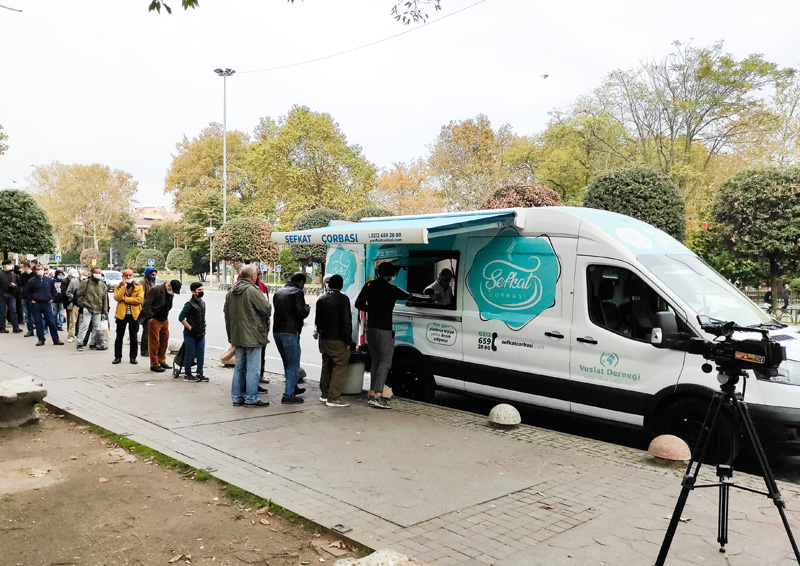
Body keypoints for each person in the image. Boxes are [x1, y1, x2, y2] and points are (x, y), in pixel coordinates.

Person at [355, 262, 416, 409]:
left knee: (376, 360)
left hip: (371, 328)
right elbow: (410, 297)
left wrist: (372, 309)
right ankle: (377, 394)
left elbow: (358, 303)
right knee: (385, 362)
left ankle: (371, 391)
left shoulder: (369, 286)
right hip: (384, 329)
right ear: (390, 275)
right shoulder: (391, 289)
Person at [224, 264, 272, 407]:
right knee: (253, 368)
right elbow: (266, 308)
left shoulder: (231, 291)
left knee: (239, 367)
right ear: (253, 276)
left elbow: (226, 315)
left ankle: (237, 397)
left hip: (237, 334)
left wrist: (230, 335)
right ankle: (251, 397)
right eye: (256, 274)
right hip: (253, 335)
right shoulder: (252, 290)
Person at [314, 274, 352, 408]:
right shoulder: (343, 299)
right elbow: (346, 322)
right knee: (339, 367)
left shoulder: (321, 299)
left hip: (324, 338)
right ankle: (334, 397)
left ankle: (324, 394)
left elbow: (317, 321)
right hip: (338, 338)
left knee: (326, 365)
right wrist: (348, 340)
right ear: (341, 285)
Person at [272, 272, 310, 404]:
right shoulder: (297, 292)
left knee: (286, 362)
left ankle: (292, 387)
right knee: (293, 363)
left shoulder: (279, 291)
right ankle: (288, 394)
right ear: (301, 282)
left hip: (277, 330)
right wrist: (307, 309)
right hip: (290, 331)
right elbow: (300, 313)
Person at [138, 278, 181, 372]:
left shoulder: (170, 293)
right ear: (169, 285)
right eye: (173, 290)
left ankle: (161, 360)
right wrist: (151, 318)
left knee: (164, 341)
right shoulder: (156, 290)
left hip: (164, 319)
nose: (173, 292)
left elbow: (168, 306)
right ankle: (154, 363)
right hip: (155, 319)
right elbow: (147, 305)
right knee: (154, 343)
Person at [24, 264, 64, 346]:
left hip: (47, 304)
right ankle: (41, 339)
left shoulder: (49, 280)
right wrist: (32, 300)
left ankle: (55, 338)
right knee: (39, 322)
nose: (40, 270)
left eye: (41, 269)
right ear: (34, 270)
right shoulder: (32, 281)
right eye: (38, 269)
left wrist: (52, 299)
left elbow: (54, 291)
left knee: (51, 321)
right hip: (36, 304)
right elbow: (26, 293)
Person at [112, 269, 144, 365]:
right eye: (126, 275)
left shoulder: (138, 287)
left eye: (130, 275)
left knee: (133, 337)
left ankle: (133, 357)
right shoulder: (118, 286)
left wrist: (125, 299)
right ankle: (117, 357)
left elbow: (139, 300)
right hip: (122, 315)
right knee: (119, 337)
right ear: (123, 277)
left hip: (134, 315)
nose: (129, 277)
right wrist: (123, 287)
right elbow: (117, 298)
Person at [178, 282, 208, 382]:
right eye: (199, 290)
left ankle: (200, 373)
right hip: (190, 334)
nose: (201, 292)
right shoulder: (189, 304)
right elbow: (181, 318)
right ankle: (188, 374)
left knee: (200, 353)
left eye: (202, 289)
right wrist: (190, 328)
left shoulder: (202, 303)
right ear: (193, 292)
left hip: (201, 333)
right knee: (189, 353)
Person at [75, 267, 110, 351]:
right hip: (88, 308)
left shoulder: (102, 284)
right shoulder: (85, 283)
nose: (98, 274)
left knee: (96, 327)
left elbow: (105, 298)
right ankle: (80, 343)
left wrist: (104, 311)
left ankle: (92, 343)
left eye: (99, 272)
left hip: (98, 309)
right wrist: (82, 305)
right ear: (92, 273)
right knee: (85, 326)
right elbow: (79, 295)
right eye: (96, 272)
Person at [139, 267, 159, 357]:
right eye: (152, 274)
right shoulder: (142, 283)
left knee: (151, 331)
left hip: (152, 310)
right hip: (146, 310)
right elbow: (141, 297)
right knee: (146, 331)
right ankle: (144, 350)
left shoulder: (152, 282)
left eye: (155, 275)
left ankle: (148, 349)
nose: (154, 276)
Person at [0, 260, 22, 333]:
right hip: (2, 295)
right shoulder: (0, 274)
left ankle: (15, 327)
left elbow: (18, 285)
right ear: (4, 265)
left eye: (10, 264)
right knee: (2, 311)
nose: (10, 265)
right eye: (8, 264)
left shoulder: (14, 275)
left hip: (11, 294)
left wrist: (14, 286)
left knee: (13, 310)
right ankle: (2, 327)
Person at [19, 261, 35, 337]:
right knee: (27, 314)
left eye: (22, 267)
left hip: (32, 297)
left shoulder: (34, 275)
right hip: (24, 297)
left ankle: (38, 328)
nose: (21, 269)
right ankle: (30, 330)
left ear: (26, 267)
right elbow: (20, 285)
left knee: (34, 314)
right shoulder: (23, 276)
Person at [64, 268, 80, 342]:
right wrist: (74, 298)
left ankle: (75, 334)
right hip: (74, 304)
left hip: (80, 304)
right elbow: (68, 292)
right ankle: (71, 335)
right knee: (73, 321)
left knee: (75, 321)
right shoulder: (73, 282)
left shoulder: (83, 282)